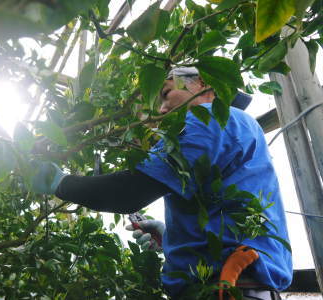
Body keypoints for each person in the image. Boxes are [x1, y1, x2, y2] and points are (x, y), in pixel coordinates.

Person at [33, 67, 293, 299]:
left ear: (203, 84)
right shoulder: (229, 127)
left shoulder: (210, 116)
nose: (161, 110)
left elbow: (129, 193)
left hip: (229, 286)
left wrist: (60, 183)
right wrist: (172, 238)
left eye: (166, 94)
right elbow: (221, 209)